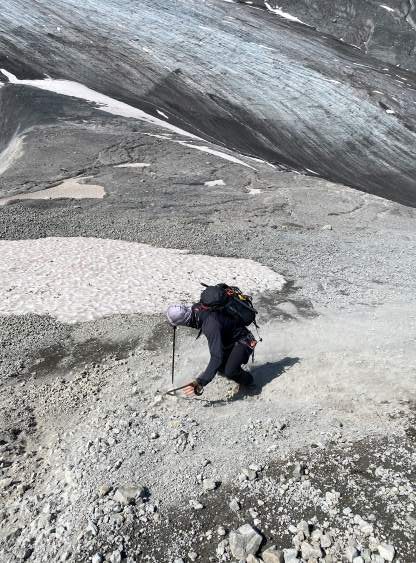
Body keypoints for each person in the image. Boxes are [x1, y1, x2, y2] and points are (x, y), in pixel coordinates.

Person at [166, 303, 257, 397]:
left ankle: (250, 383)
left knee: (230, 371)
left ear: (183, 322)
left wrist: (200, 382)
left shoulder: (210, 325)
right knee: (220, 368)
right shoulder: (197, 308)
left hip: (244, 340)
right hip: (231, 340)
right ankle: (238, 373)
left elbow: (216, 357)